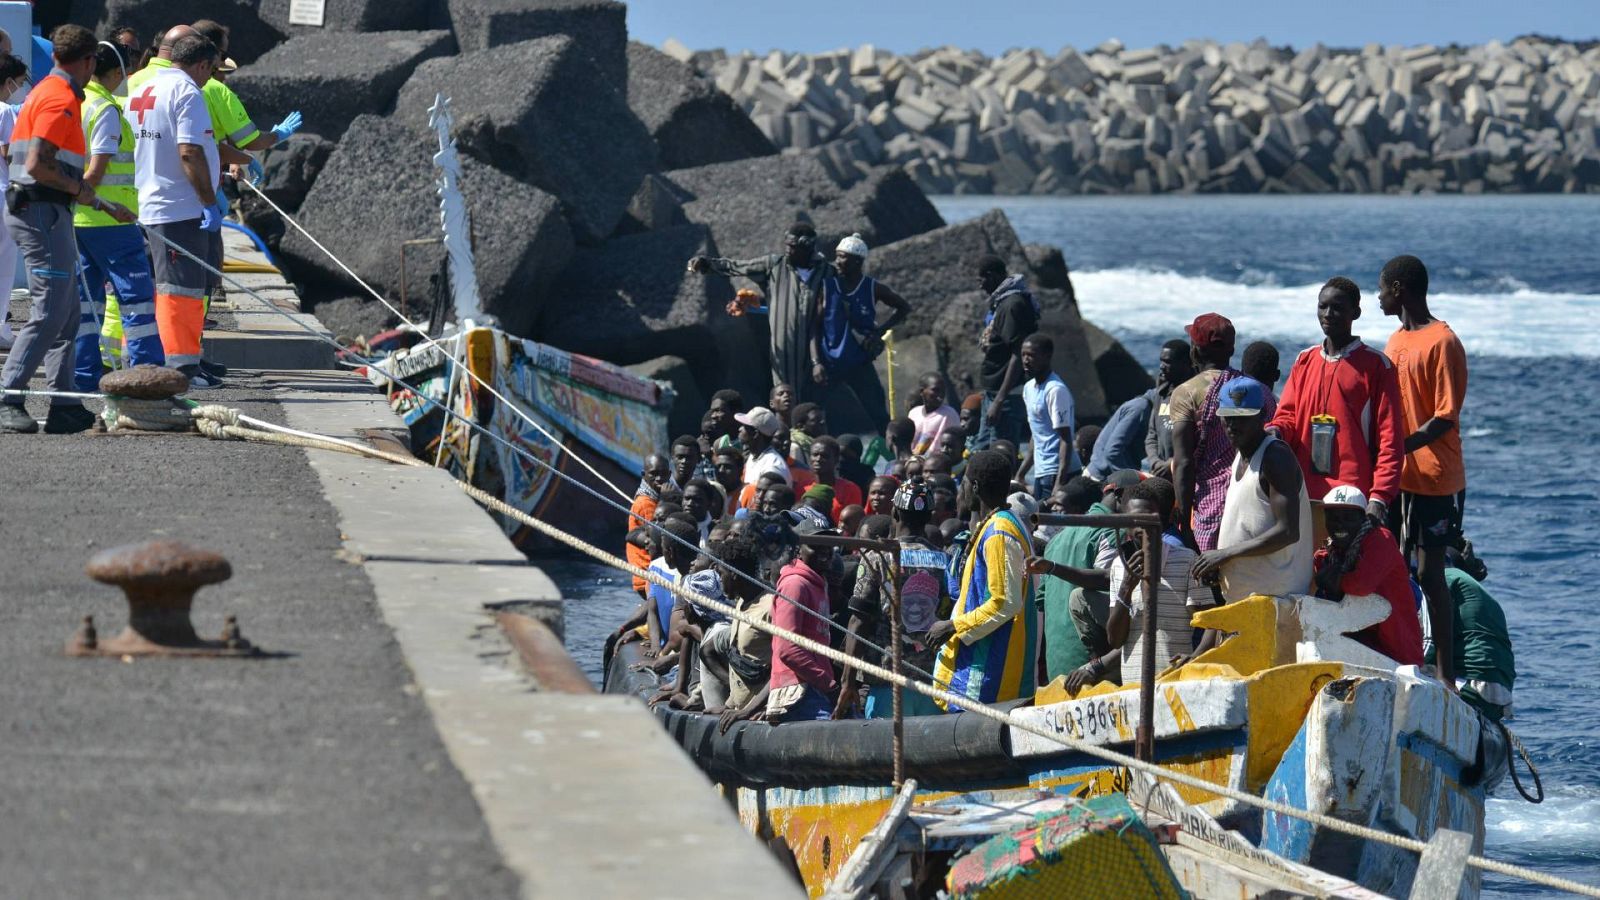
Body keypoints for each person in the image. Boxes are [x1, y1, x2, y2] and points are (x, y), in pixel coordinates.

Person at [0, 25, 136, 435]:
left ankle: (62, 404)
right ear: (89, 61)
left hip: (45, 212)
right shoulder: (60, 99)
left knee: (68, 313)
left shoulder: (45, 91)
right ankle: (9, 396)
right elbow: (39, 163)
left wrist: (97, 201)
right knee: (50, 312)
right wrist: (85, 192)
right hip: (42, 213)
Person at [1380, 254, 1465, 690]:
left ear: (1400, 290)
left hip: (1434, 477)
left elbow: (1445, 417)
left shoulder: (1443, 341)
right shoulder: (1394, 342)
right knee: (1391, 569)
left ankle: (1446, 674)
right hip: (1397, 477)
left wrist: (1401, 446)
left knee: (1430, 576)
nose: (1377, 297)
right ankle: (1401, 656)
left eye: (1382, 289)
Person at [1268, 277, 1403, 532]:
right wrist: (1275, 431)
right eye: (1323, 306)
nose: (1328, 314)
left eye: (1338, 308)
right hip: (1303, 490)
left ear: (1356, 313)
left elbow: (1391, 441)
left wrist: (1379, 498)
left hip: (1350, 497)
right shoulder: (1305, 360)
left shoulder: (1377, 366)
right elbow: (1287, 416)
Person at [129, 32, 224, 390]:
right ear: (200, 64)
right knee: (181, 291)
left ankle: (144, 360)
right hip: (177, 208)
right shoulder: (187, 93)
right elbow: (190, 152)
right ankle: (181, 367)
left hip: (143, 202)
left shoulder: (141, 89)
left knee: (149, 288)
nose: (210, 77)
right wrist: (208, 202)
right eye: (210, 70)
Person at [72, 39, 165, 389]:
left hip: (79, 220)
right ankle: (148, 372)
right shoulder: (106, 110)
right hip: (112, 220)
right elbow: (96, 172)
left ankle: (83, 376)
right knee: (136, 298)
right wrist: (108, 204)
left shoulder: (78, 103)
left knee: (85, 304)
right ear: (113, 73)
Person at [927, 449, 1038, 710]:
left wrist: (953, 626)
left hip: (987, 676)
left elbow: (1004, 603)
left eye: (963, 483)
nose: (960, 491)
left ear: (974, 487)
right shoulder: (997, 524)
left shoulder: (999, 531)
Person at [834, 478, 952, 719]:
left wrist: (847, 681)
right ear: (930, 516)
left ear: (894, 512)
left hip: (887, 683)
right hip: (934, 684)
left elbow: (859, 621)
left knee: (887, 754)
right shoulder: (945, 561)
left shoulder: (877, 557)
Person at [1193, 376, 1313, 601]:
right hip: (1247, 597)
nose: (1232, 426)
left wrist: (1225, 554)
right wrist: (1221, 563)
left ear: (1262, 417)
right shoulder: (1240, 455)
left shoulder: (1275, 458)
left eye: (1242, 418)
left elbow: (1287, 532)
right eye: (1227, 418)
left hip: (1277, 598)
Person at [1093, 477, 1215, 689]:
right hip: (1133, 688)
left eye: (1149, 518)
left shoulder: (1186, 560)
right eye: (1135, 519)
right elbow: (1115, 640)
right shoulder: (1119, 567)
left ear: (1161, 521)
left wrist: (1195, 658)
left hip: (1175, 684)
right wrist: (1127, 587)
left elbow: (1212, 623)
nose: (1142, 525)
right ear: (1125, 526)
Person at [689, 222, 833, 401]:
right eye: (787, 245)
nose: (787, 250)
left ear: (807, 247)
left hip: (820, 349)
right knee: (786, 398)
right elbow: (737, 267)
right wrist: (707, 264)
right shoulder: (774, 266)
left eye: (793, 247)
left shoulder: (828, 273)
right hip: (784, 350)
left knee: (817, 403)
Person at [1028, 470, 1142, 684]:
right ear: (1119, 496)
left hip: (1057, 667)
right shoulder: (1110, 532)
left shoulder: (1055, 541)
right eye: (1137, 500)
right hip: (1092, 670)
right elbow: (1114, 586)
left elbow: (1041, 604)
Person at [1311, 485, 1424, 666]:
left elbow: (1361, 586)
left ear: (1363, 519)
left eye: (1348, 518)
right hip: (1358, 647)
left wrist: (1335, 580)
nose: (1339, 524)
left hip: (1398, 656)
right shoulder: (1329, 552)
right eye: (1332, 518)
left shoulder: (1381, 540)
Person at [812, 232, 908, 430]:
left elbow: (903, 307)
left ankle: (893, 456)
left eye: (843, 257)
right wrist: (816, 363)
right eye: (837, 256)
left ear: (858, 261)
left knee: (879, 414)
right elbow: (814, 327)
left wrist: (880, 331)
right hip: (829, 364)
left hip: (859, 362)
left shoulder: (873, 288)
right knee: (813, 413)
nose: (837, 261)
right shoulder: (827, 287)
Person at [1170, 313, 1243, 552]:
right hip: (1248, 500)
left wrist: (1183, 516)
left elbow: (1184, 461)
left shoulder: (1186, 393)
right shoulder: (1255, 390)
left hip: (1209, 507)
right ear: (1231, 350)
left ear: (1195, 350)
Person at [765, 518, 839, 723]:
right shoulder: (795, 584)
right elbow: (788, 649)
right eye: (816, 545)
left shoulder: (819, 583)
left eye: (827, 545)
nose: (824, 550)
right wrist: (829, 685)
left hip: (817, 686)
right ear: (798, 549)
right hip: (799, 691)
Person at [1428, 553, 1515, 721]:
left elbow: (1428, 646)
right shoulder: (1472, 587)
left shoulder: (1438, 583)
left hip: (1473, 687)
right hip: (1500, 695)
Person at [972, 255, 1038, 449]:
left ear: (991, 276)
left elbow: (1019, 353)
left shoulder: (1012, 305)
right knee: (980, 450)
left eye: (981, 280)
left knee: (1001, 451)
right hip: (994, 392)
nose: (980, 286)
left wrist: (1000, 400)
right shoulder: (1003, 301)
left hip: (1006, 395)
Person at [1016, 333, 1078, 497]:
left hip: (1059, 472)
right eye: (1023, 355)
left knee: (1047, 521)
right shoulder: (1028, 388)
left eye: (1031, 355)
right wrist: (1021, 473)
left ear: (1047, 356)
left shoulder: (1055, 390)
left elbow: (1066, 439)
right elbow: (1037, 435)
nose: (1026, 360)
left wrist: (1060, 482)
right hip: (1041, 471)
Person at [0, 52, 30, 350]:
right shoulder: (5, 111)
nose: (19, 89)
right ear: (8, 82)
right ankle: (0, 327)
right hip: (2, 193)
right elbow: (7, 151)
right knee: (4, 263)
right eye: (19, 83)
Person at [1144, 339, 1196, 477]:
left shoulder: (1195, 395)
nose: (1161, 366)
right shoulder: (1161, 395)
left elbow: (1203, 441)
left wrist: (1172, 464)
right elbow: (1151, 435)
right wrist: (1155, 462)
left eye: (1167, 362)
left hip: (1186, 476)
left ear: (1185, 364)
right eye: (1161, 361)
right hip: (1159, 474)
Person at [625, 453, 672, 597]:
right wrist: (665, 500)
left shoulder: (652, 497)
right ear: (643, 475)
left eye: (663, 474)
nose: (659, 478)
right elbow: (657, 535)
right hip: (647, 573)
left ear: (670, 474)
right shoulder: (646, 503)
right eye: (653, 474)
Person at [1087, 387, 1154, 481]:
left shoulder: (1149, 410)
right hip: (1100, 480)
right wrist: (1135, 480)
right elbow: (1112, 452)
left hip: (1112, 476)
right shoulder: (1140, 408)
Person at [809, 435, 863, 521]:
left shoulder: (850, 490)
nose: (818, 459)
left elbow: (853, 524)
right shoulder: (801, 488)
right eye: (815, 455)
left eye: (824, 456)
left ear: (836, 459)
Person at [734, 406, 790, 487]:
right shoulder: (754, 456)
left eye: (745, 427)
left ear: (755, 434)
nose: (740, 429)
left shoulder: (773, 466)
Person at [907, 372, 959, 456]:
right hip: (913, 461)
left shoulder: (949, 414)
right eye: (935, 390)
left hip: (937, 463)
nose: (940, 395)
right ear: (922, 391)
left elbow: (956, 442)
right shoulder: (913, 413)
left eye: (943, 391)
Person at [786, 401, 825, 469]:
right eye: (815, 420)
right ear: (801, 426)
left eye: (822, 419)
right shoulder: (795, 447)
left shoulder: (819, 444)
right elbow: (798, 475)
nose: (822, 422)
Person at [710, 447, 744, 515]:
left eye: (727, 467)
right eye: (718, 466)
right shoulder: (710, 494)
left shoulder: (748, 492)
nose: (721, 471)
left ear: (740, 469)